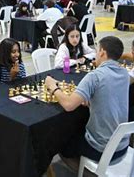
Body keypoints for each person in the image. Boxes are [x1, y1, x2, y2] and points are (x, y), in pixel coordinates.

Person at [45, 36, 129, 167]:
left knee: (62, 145)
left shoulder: (94, 76)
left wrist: (52, 86)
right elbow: (110, 94)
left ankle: (87, 173)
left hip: (102, 148)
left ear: (102, 52)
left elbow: (68, 105)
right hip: (123, 145)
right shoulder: (124, 73)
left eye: (97, 51)